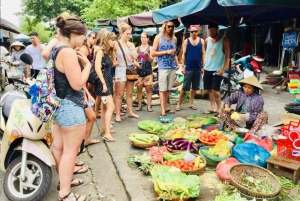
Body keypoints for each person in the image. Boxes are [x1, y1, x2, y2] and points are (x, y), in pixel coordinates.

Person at [51, 15, 90, 201]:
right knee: (70, 152)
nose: (84, 38)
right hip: (71, 107)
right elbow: (77, 84)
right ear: (74, 33)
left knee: (59, 148)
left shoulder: (56, 48)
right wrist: (88, 66)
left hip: (59, 105)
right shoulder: (67, 52)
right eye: (83, 35)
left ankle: (63, 183)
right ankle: (65, 194)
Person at [152, 20, 179, 117]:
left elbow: (174, 52)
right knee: (162, 89)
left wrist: (177, 63)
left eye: (172, 26)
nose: (170, 28)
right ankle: (162, 109)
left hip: (172, 66)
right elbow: (153, 53)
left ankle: (166, 106)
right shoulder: (158, 37)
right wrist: (166, 52)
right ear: (164, 26)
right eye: (169, 26)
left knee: (168, 88)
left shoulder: (174, 39)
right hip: (163, 66)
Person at [176, 25, 205, 111]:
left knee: (195, 87)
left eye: (195, 31)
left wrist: (203, 66)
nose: (194, 33)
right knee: (185, 87)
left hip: (198, 67)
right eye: (192, 32)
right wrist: (183, 66)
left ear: (197, 32)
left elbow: (203, 53)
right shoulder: (186, 41)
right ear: (190, 32)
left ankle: (191, 103)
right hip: (188, 68)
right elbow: (184, 54)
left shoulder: (201, 41)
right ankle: (178, 104)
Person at [203, 23, 230, 116]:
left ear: (217, 29)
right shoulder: (206, 40)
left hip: (217, 69)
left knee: (216, 90)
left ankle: (219, 109)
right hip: (207, 68)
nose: (211, 32)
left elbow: (227, 56)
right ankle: (212, 107)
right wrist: (204, 65)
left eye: (213, 31)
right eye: (210, 31)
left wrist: (223, 68)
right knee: (209, 89)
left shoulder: (224, 40)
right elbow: (204, 53)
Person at [114, 22, 139, 122]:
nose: (129, 35)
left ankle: (130, 112)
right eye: (127, 33)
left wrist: (130, 48)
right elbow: (112, 58)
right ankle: (117, 113)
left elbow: (136, 56)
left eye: (130, 33)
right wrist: (115, 62)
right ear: (122, 33)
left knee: (129, 93)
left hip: (130, 69)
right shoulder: (116, 44)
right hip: (120, 69)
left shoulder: (131, 44)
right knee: (119, 94)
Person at [94, 30, 116, 142]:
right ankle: (107, 133)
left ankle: (104, 128)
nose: (114, 42)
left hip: (107, 82)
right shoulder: (100, 52)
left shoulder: (106, 52)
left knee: (105, 107)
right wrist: (103, 83)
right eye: (112, 40)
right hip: (103, 84)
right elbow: (97, 67)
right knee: (111, 107)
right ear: (106, 40)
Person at [135, 32, 154, 112]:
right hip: (139, 72)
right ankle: (139, 105)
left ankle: (149, 106)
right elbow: (134, 61)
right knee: (139, 89)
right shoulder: (137, 49)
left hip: (148, 72)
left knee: (148, 90)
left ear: (148, 39)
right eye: (142, 37)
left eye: (144, 37)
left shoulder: (150, 48)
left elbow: (151, 60)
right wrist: (137, 64)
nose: (143, 39)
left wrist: (147, 56)